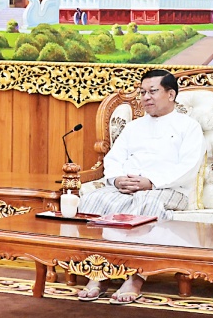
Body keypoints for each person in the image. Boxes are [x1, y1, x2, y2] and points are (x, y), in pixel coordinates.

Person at [75, 69, 205, 305]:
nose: (146, 97)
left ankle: (136, 276)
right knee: (93, 200)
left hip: (169, 190)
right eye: (143, 92)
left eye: (152, 91)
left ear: (171, 94)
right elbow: (113, 159)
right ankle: (99, 272)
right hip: (128, 187)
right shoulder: (134, 127)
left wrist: (151, 182)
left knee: (145, 204)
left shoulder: (188, 127)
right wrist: (117, 180)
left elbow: (188, 166)